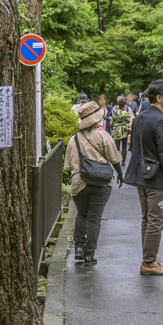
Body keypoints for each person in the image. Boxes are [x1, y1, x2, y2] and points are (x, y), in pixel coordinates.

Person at [123, 79, 163, 276]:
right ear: (159, 97)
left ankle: (151, 258)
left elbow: (134, 148)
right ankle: (149, 262)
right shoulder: (161, 120)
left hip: (141, 176)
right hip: (157, 179)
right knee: (156, 221)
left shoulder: (140, 117)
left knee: (147, 220)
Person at [64, 99, 123, 265]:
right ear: (97, 119)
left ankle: (78, 249)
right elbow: (115, 159)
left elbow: (68, 166)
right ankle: (89, 255)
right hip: (101, 183)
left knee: (81, 214)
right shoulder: (103, 136)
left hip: (79, 182)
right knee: (94, 218)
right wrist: (120, 175)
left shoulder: (73, 140)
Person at [110, 96, 134, 161]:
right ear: (124, 105)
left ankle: (117, 159)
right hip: (124, 131)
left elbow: (111, 123)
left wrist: (113, 128)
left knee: (117, 147)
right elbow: (128, 123)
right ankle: (123, 160)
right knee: (124, 147)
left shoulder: (115, 113)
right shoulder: (126, 113)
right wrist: (129, 132)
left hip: (116, 130)